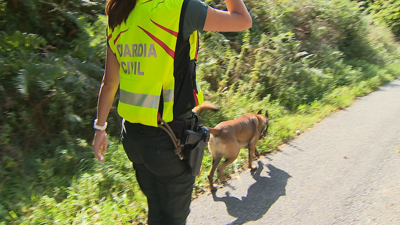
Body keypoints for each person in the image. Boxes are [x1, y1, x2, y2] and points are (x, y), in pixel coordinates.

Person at [92, 0, 252, 224]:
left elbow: (109, 83)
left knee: (157, 209)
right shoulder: (181, 8)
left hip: (132, 138)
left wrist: (100, 128)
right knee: (173, 218)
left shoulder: (119, 11)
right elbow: (243, 20)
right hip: (169, 141)